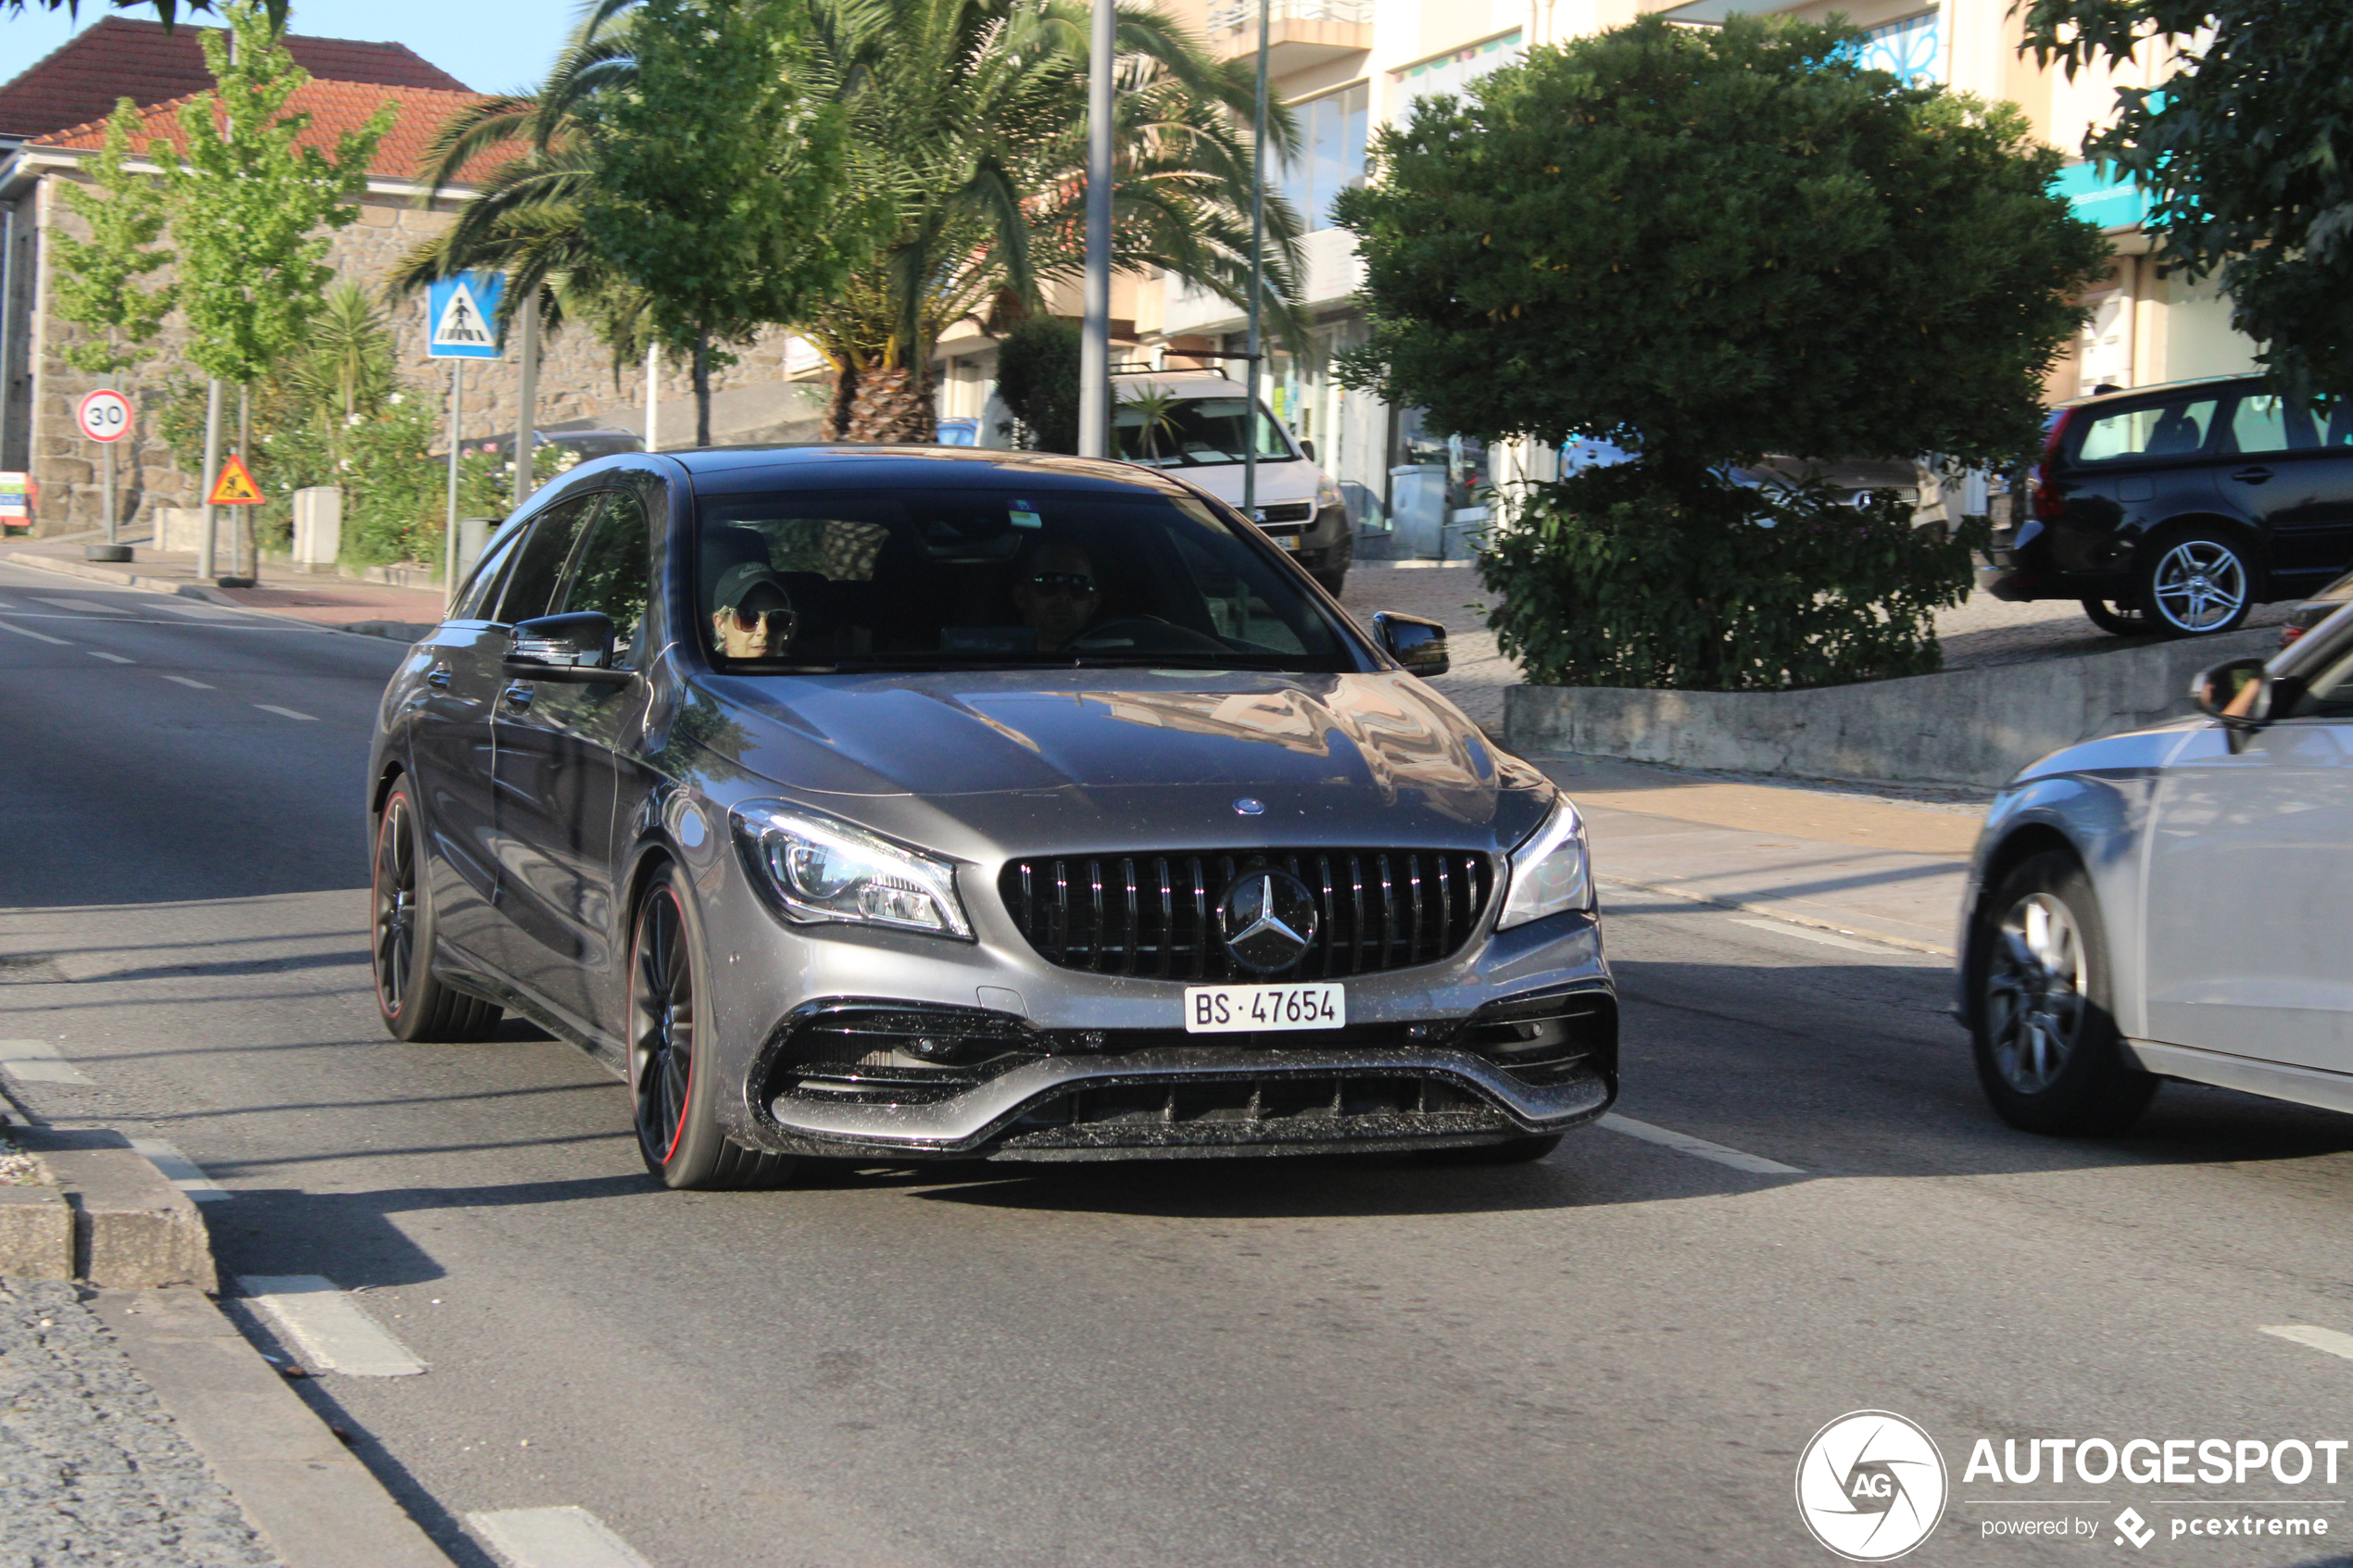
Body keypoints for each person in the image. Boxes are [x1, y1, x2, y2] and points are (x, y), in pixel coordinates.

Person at [1011, 541, 1103, 653]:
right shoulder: (993, 657)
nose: (1064, 595)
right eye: (1048, 582)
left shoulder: (1118, 657)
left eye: (1079, 586)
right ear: (1021, 595)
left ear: (1093, 604)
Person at [710, 561, 798, 659]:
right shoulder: (702, 668)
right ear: (720, 624)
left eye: (777, 618)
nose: (764, 630)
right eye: (747, 617)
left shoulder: (798, 672)